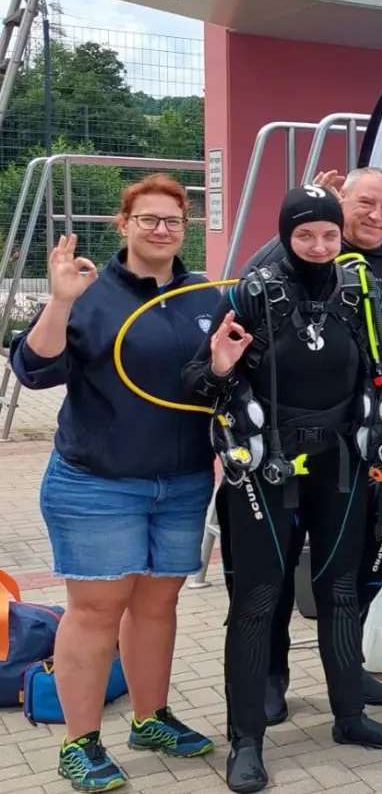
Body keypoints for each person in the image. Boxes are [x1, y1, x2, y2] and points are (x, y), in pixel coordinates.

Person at [187, 186, 382, 792]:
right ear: (286, 234)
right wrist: (219, 364)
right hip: (265, 469)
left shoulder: (358, 291)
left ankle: (349, 717)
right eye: (305, 234)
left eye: (329, 234)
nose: (319, 246)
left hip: (339, 462)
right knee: (259, 601)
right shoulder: (251, 292)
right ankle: (246, 741)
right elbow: (195, 380)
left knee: (341, 591)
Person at [10, 175, 217, 793]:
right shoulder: (89, 291)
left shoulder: (203, 293)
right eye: (148, 218)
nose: (162, 229)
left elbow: (212, 377)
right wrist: (61, 301)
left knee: (158, 606)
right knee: (97, 613)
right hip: (97, 484)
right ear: (122, 224)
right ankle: (80, 742)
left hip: (180, 482)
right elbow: (35, 370)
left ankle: (150, 718)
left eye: (174, 220)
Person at [234, 167, 382, 718]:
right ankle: (273, 674)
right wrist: (304, 208)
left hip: (372, 436)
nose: (376, 215)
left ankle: (347, 667)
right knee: (274, 563)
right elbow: (244, 306)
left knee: (363, 553)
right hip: (284, 446)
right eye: (365, 202)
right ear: (341, 202)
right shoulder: (288, 259)